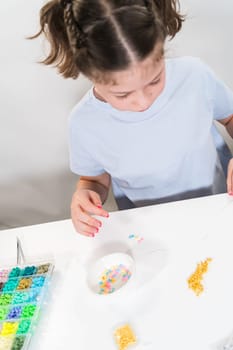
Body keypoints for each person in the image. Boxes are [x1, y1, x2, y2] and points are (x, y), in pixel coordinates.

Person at [32, 0, 233, 237]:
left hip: (219, 208)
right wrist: (85, 194)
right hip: (151, 231)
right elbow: (93, 180)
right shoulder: (84, 123)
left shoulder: (195, 76)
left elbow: (229, 118)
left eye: (155, 80)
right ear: (89, 74)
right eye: (123, 94)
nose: (143, 102)